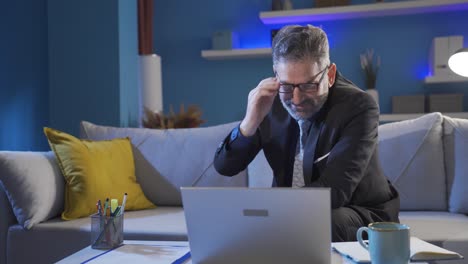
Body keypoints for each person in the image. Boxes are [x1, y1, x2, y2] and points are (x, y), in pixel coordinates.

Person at [213, 25, 400, 242]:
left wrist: (269, 208)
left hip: (359, 212)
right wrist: (250, 122)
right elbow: (224, 167)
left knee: (318, 223)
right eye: (287, 85)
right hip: (292, 214)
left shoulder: (358, 106)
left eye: (309, 86)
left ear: (329, 75)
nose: (297, 99)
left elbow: (336, 190)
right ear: (276, 75)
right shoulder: (270, 101)